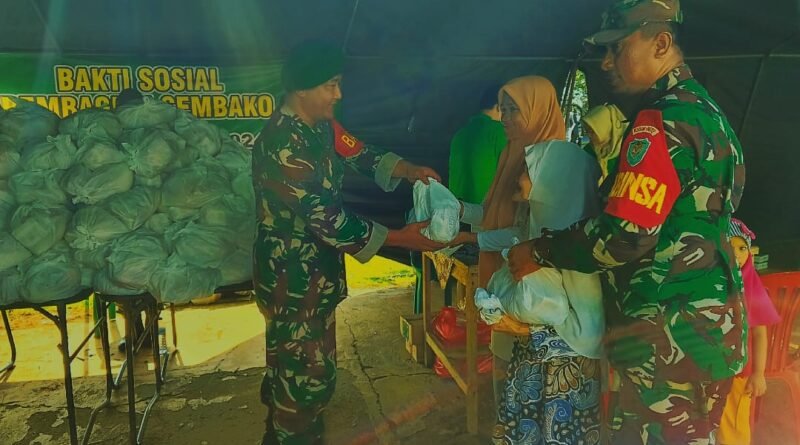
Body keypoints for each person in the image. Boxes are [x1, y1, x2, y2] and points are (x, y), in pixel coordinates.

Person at [507, 1, 747, 443]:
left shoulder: (660, 124)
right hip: (710, 331)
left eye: (617, 48)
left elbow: (623, 236)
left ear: (661, 43)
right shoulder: (706, 112)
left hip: (665, 342)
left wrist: (539, 250)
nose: (605, 62)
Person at [251, 40, 444, 445]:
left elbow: (358, 152)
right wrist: (400, 237)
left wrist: (408, 169)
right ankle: (291, 434)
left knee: (305, 371)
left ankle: (292, 426)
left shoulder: (320, 126)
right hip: (293, 283)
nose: (339, 94)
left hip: (313, 278)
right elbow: (329, 220)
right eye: (331, 85)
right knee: (304, 380)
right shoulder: (285, 144)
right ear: (301, 88)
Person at [463, 137, 605, 444]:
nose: (519, 178)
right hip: (535, 362)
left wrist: (519, 327)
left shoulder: (572, 248)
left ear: (553, 178)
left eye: (528, 171)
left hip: (564, 371)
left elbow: (585, 327)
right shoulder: (546, 230)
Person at [451, 75, 572, 411]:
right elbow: (497, 215)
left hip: (539, 298)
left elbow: (529, 236)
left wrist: (471, 237)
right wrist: (458, 211)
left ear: (537, 110)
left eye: (513, 110)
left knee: (538, 396)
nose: (504, 117)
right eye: (502, 109)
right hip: (507, 280)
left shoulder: (554, 162)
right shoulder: (514, 153)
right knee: (506, 380)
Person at [718, 219, 780, 445]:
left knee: (733, 428)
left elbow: (760, 334)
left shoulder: (751, 286)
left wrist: (758, 373)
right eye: (729, 246)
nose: (737, 253)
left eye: (742, 247)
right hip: (706, 371)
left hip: (738, 373)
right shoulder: (706, 283)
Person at [448, 84, 508, 204]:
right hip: (486, 209)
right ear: (499, 107)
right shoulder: (501, 132)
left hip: (459, 207)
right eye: (508, 109)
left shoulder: (460, 134)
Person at [581, 103, 627, 184]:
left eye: (592, 132)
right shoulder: (588, 151)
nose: (589, 136)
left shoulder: (625, 152)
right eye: (587, 132)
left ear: (605, 129)